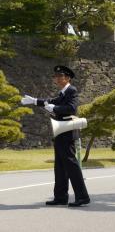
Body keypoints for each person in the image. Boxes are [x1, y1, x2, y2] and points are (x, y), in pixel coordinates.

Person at [21, 65, 90, 207]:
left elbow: (72, 108)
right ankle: (60, 197)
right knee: (60, 166)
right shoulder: (62, 93)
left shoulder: (72, 90)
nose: (57, 79)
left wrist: (56, 109)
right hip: (60, 131)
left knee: (71, 166)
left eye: (60, 76)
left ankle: (82, 197)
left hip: (67, 130)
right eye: (56, 76)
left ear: (67, 78)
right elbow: (51, 101)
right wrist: (34, 101)